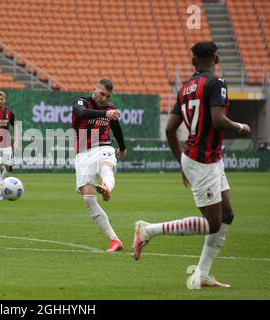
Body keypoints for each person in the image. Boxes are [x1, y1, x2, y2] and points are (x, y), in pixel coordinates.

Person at [132, 42, 251, 287]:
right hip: (203, 159)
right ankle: (147, 230)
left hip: (205, 158)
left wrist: (181, 163)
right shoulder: (216, 84)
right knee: (213, 222)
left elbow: (170, 129)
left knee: (227, 214)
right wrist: (240, 127)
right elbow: (218, 121)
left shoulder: (186, 87)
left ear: (193, 61)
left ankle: (201, 275)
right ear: (216, 59)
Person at [72, 79, 127, 252]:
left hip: (103, 146)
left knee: (106, 167)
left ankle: (106, 186)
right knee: (89, 199)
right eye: (101, 94)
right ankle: (115, 240)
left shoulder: (109, 109)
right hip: (83, 153)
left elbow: (116, 129)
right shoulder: (81, 102)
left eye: (107, 96)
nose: (104, 98)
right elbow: (81, 113)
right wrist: (105, 115)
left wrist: (123, 148)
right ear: (94, 89)